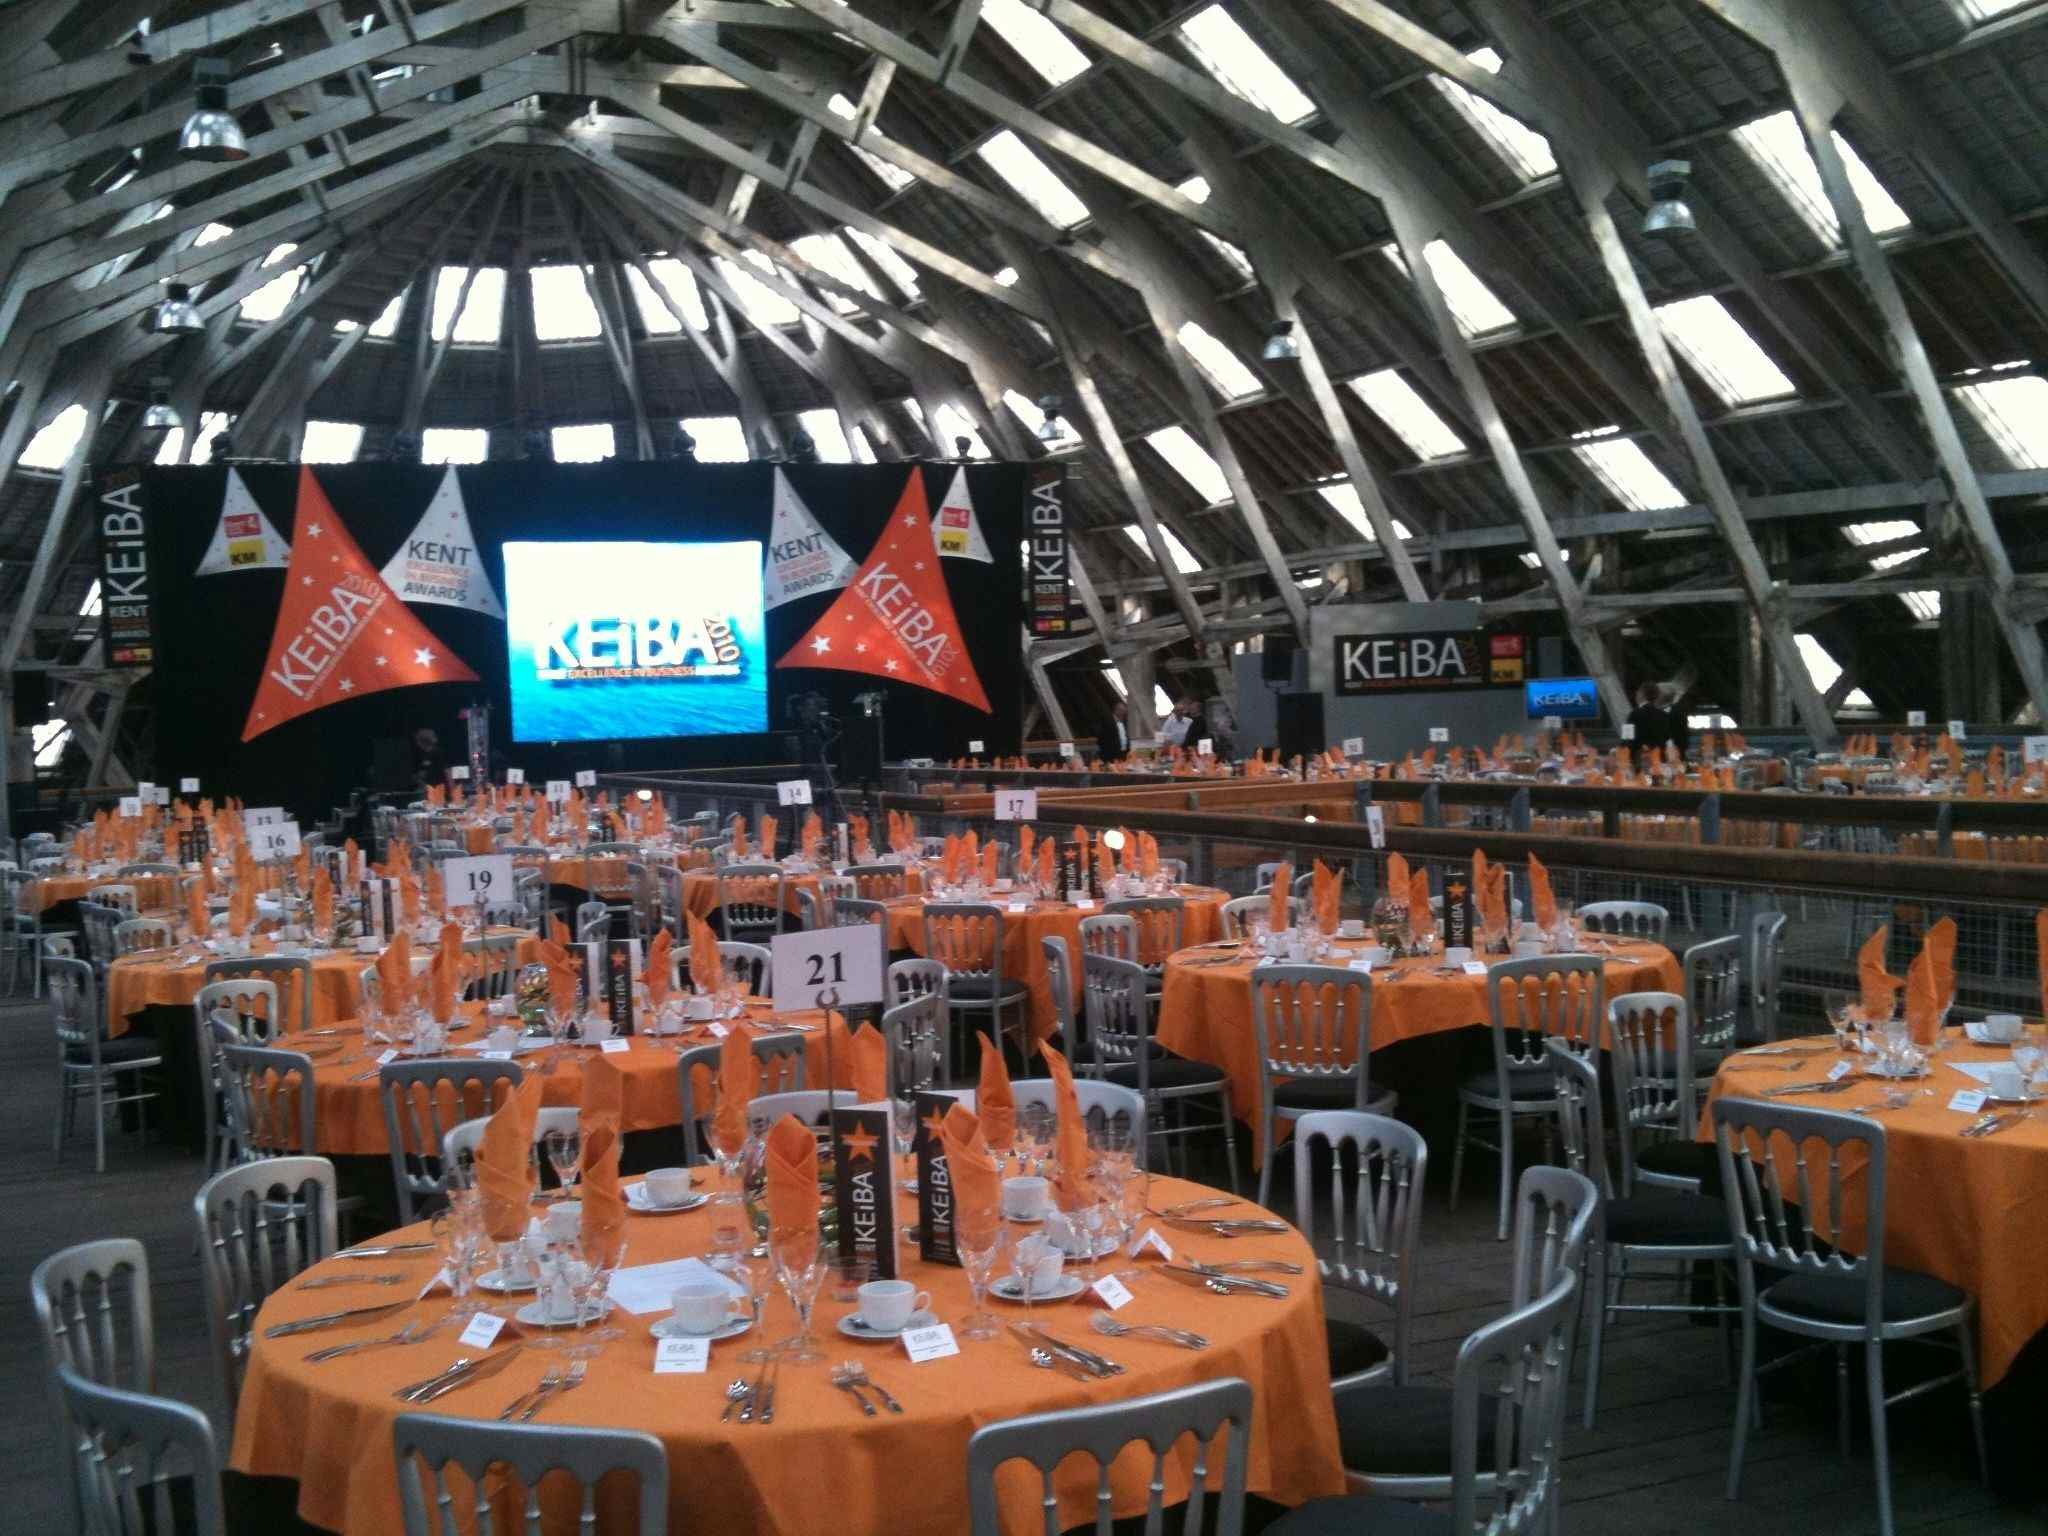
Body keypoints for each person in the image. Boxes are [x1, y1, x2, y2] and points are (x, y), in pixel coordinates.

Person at [1626, 683, 1668, 756]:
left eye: (1638, 692)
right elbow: (1666, 737)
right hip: (1658, 756)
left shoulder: (1634, 713)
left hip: (1640, 756)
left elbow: (1627, 737)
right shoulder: (1663, 714)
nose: (1636, 695)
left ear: (1642, 694)